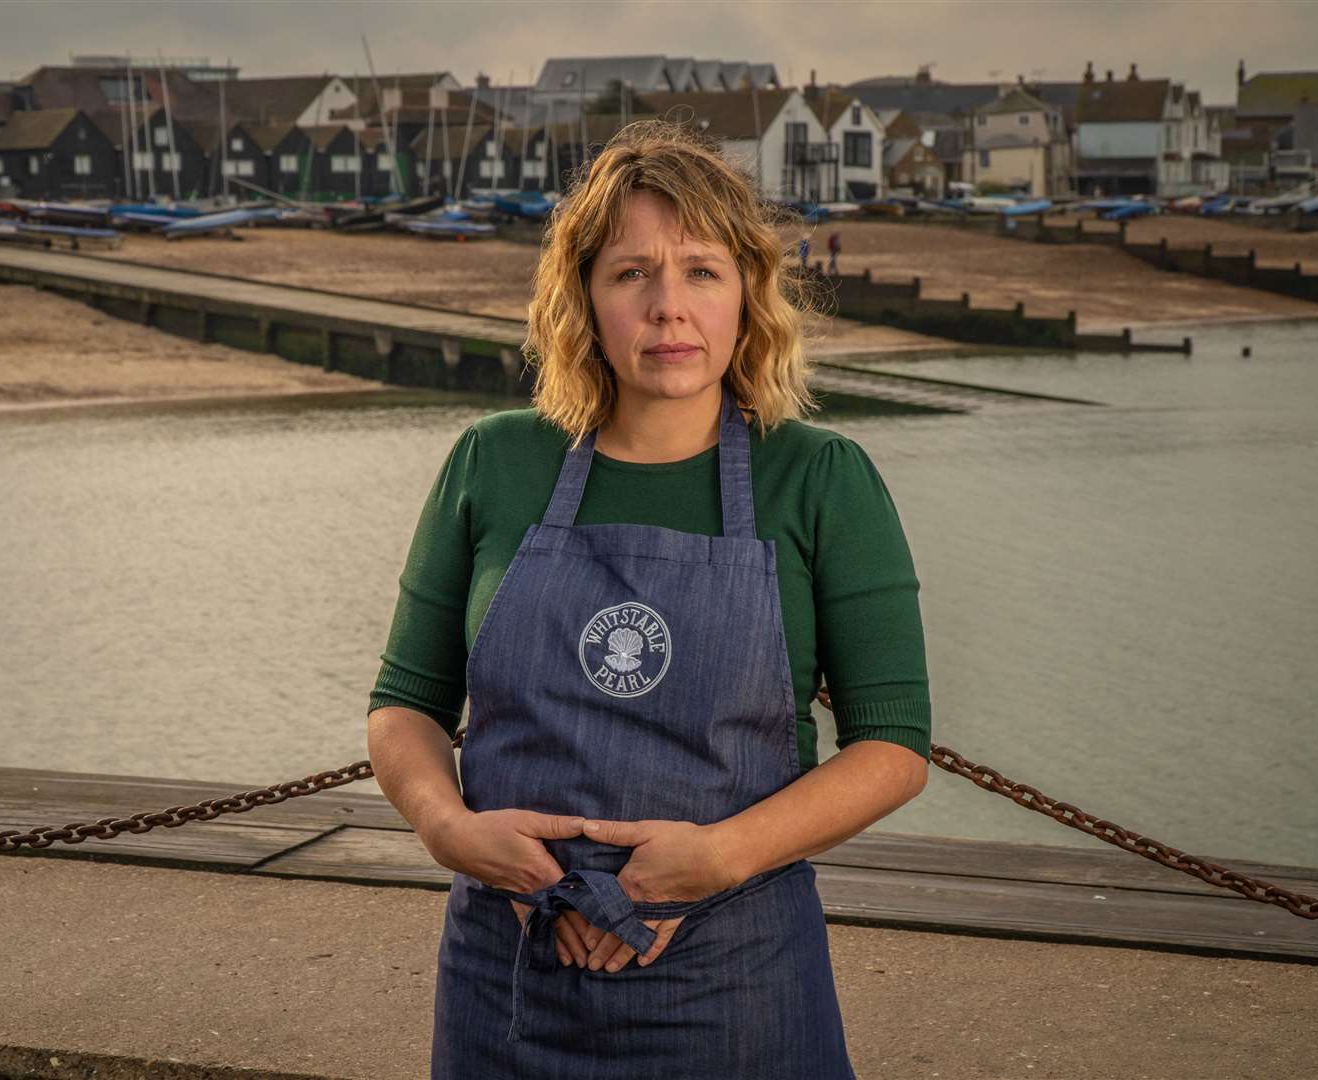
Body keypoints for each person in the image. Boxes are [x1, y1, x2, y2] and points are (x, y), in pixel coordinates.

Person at [366, 119, 931, 1078]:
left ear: (749, 294)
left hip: (734, 984)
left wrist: (722, 857)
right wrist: (451, 830)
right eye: (632, 274)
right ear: (583, 296)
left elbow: (893, 745)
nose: (669, 308)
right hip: (508, 984)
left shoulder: (822, 477)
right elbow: (405, 707)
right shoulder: (493, 462)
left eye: (701, 271)